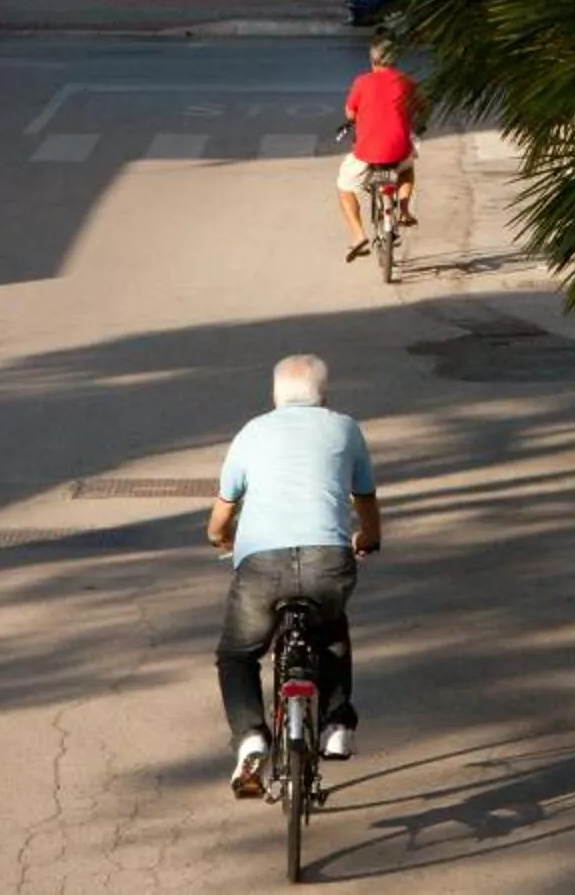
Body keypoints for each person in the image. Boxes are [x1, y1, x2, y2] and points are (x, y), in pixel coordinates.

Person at [206, 354, 380, 797]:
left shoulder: (252, 431)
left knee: (238, 654)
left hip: (261, 566)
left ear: (275, 396)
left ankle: (250, 737)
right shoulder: (344, 428)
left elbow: (222, 514)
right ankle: (337, 724)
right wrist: (369, 538)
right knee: (331, 633)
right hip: (328, 559)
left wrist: (221, 538)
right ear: (325, 396)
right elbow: (365, 499)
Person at [336, 39, 424, 263]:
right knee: (407, 168)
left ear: (372, 60)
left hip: (366, 154)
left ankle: (358, 235)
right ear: (394, 61)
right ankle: (403, 210)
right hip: (398, 152)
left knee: (344, 187)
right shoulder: (406, 81)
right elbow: (421, 105)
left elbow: (350, 114)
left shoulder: (362, 82)